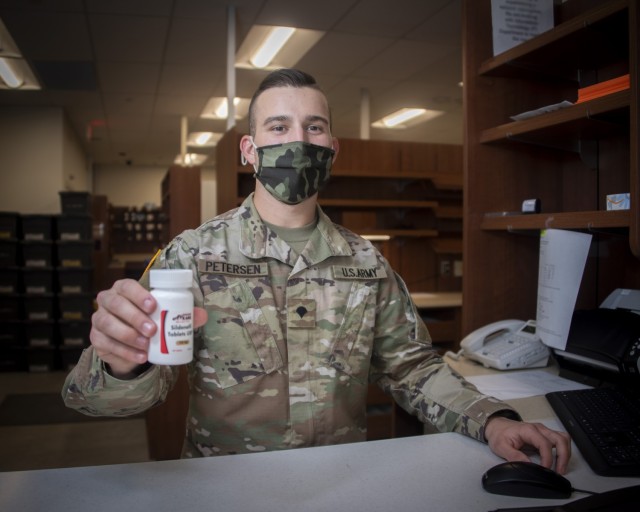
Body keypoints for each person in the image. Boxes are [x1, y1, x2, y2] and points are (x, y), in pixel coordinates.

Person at [62, 68, 571, 472]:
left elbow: (413, 369)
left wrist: (494, 421)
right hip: (225, 489)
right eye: (279, 127)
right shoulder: (192, 256)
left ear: (331, 148)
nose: (298, 140)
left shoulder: (366, 263)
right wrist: (121, 364)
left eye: (315, 127)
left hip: (341, 482)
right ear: (249, 150)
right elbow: (106, 404)